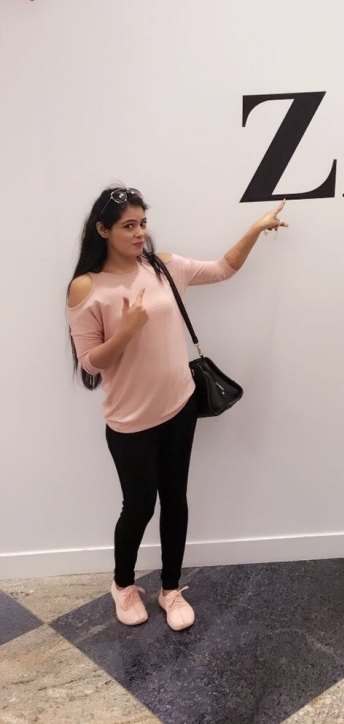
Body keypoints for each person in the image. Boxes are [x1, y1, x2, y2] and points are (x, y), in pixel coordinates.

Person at [66, 185, 287, 631]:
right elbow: (89, 362)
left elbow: (223, 268)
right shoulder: (86, 287)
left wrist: (255, 229)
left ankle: (170, 589)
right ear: (103, 230)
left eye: (142, 223)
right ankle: (123, 585)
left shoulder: (163, 267)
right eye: (128, 226)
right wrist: (127, 331)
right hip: (129, 420)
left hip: (179, 407)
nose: (139, 233)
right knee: (138, 507)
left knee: (175, 500)